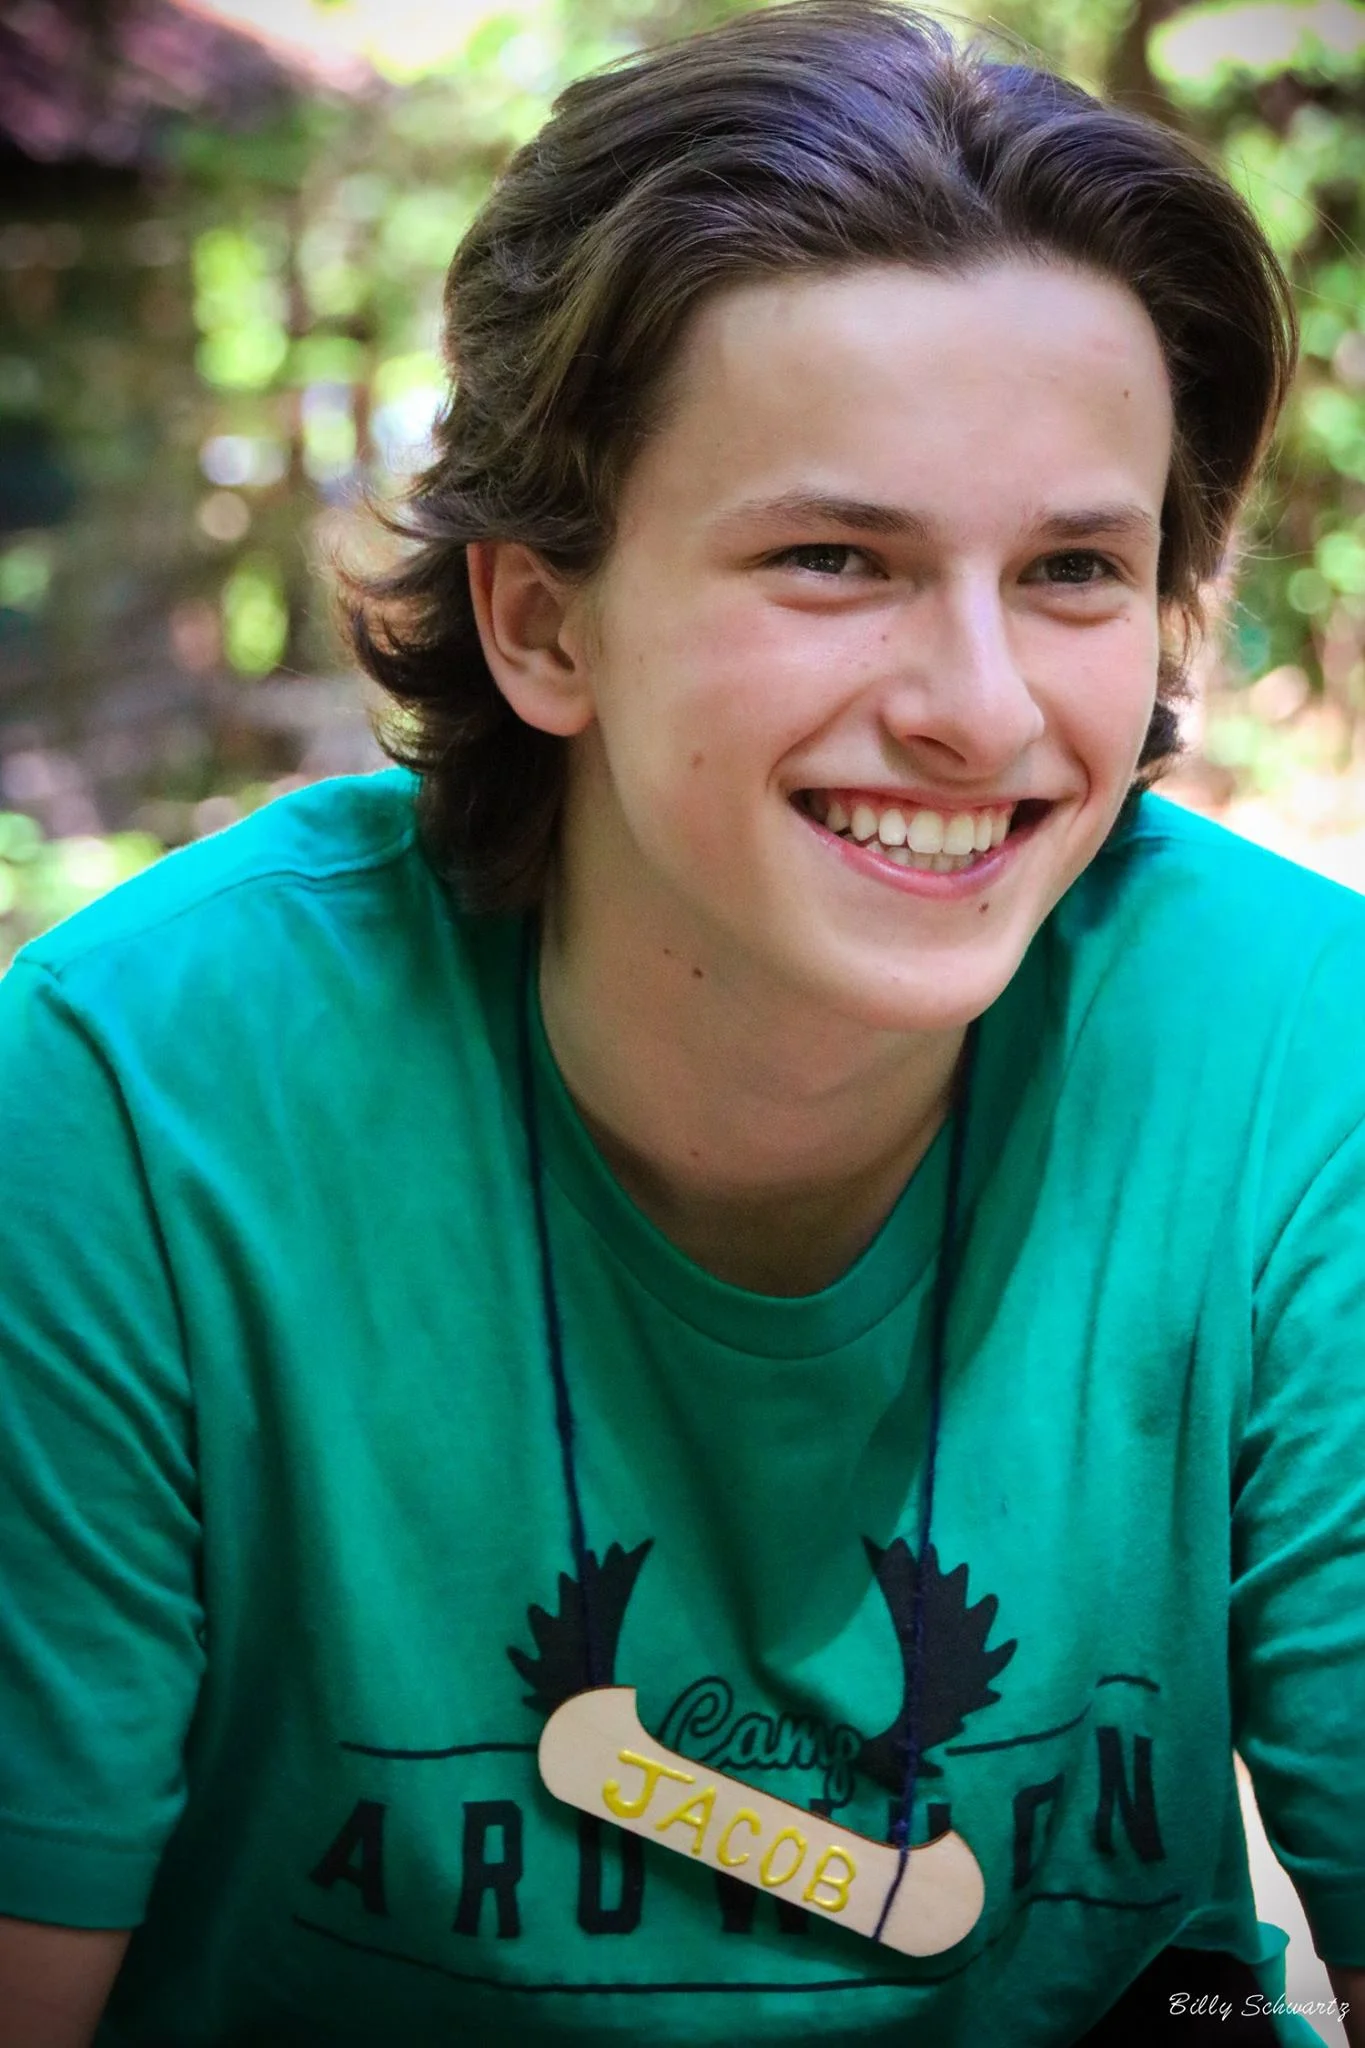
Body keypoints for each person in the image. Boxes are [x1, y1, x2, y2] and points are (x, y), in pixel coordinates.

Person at [0, 3, 1362, 2042]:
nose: (981, 707)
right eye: (836, 557)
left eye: (1075, 568)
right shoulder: (135, 1093)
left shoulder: (1292, 1056)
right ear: (540, 618)